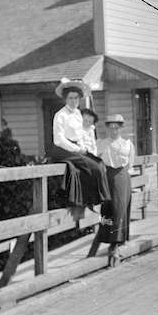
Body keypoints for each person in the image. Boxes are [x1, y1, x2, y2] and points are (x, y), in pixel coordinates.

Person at [50, 78, 110, 208]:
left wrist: (84, 149)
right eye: (70, 98)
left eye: (76, 98)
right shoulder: (60, 115)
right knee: (94, 166)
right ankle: (96, 198)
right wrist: (77, 149)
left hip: (76, 148)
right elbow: (58, 140)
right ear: (65, 99)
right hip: (62, 150)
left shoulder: (78, 113)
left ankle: (97, 199)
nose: (73, 101)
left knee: (99, 162)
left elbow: (80, 135)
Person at [96, 113, 135, 267]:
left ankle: (116, 244)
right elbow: (94, 159)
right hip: (107, 176)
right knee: (107, 208)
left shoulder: (127, 144)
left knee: (120, 209)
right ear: (107, 129)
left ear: (121, 129)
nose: (114, 131)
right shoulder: (101, 143)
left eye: (116, 128)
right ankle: (109, 240)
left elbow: (130, 164)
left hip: (122, 177)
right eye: (111, 128)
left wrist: (122, 174)